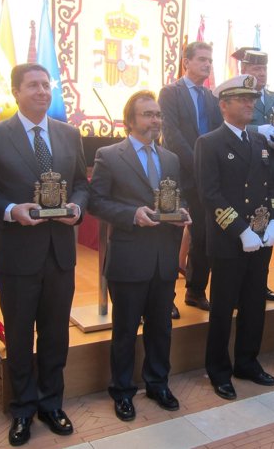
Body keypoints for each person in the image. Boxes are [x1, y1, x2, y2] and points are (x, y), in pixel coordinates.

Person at [0, 63, 88, 446]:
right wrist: (10, 211)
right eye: (34, 86)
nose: (43, 91)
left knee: (56, 334)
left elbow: (80, 185)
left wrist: (76, 206)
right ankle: (23, 409)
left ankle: (51, 404)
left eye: (47, 85)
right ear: (16, 92)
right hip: (17, 255)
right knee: (21, 336)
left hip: (60, 254)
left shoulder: (69, 134)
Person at [88, 90, 190, 421]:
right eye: (148, 114)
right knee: (126, 329)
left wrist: (183, 212)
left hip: (163, 257)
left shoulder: (171, 158)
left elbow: (174, 199)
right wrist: (133, 213)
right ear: (130, 120)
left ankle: (158, 383)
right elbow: (97, 202)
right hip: (129, 258)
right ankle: (122, 390)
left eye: (158, 114)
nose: (155, 120)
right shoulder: (109, 155)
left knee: (161, 327)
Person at [195, 75, 274, 400]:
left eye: (252, 99)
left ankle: (247, 361)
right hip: (230, 240)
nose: (250, 104)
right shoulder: (210, 142)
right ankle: (219, 369)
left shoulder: (258, 143)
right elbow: (210, 194)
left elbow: (271, 187)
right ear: (224, 105)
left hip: (260, 239)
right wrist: (240, 229)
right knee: (223, 309)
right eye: (242, 99)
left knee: (254, 305)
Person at [159, 41, 222, 311]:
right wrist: (198, 164)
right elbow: (171, 135)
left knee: (204, 236)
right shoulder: (169, 93)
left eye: (210, 60)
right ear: (186, 62)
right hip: (176, 174)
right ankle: (165, 299)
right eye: (202, 59)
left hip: (204, 178)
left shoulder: (212, 98)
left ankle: (195, 291)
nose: (207, 64)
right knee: (171, 238)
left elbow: (217, 135)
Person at [239, 48, 274, 301]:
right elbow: (226, 124)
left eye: (263, 69)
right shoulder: (238, 96)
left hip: (273, 169)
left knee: (269, 225)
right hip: (246, 168)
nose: (260, 73)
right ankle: (240, 285)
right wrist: (257, 129)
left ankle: (260, 282)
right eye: (255, 69)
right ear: (244, 71)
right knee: (246, 224)